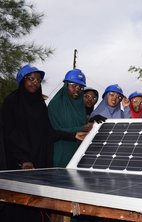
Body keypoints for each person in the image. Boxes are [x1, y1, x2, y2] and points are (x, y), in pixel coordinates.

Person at [1, 64, 87, 222]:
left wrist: (73, 135)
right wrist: (23, 160)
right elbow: (9, 135)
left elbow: (49, 132)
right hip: (18, 166)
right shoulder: (11, 102)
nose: (35, 83)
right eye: (31, 79)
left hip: (38, 164)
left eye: (38, 80)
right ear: (22, 81)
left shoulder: (40, 105)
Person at [48, 69, 92, 167]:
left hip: (78, 155)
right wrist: (81, 129)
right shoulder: (55, 104)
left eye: (81, 87)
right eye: (74, 85)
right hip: (61, 154)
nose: (77, 89)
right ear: (66, 85)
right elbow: (55, 131)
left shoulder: (80, 106)